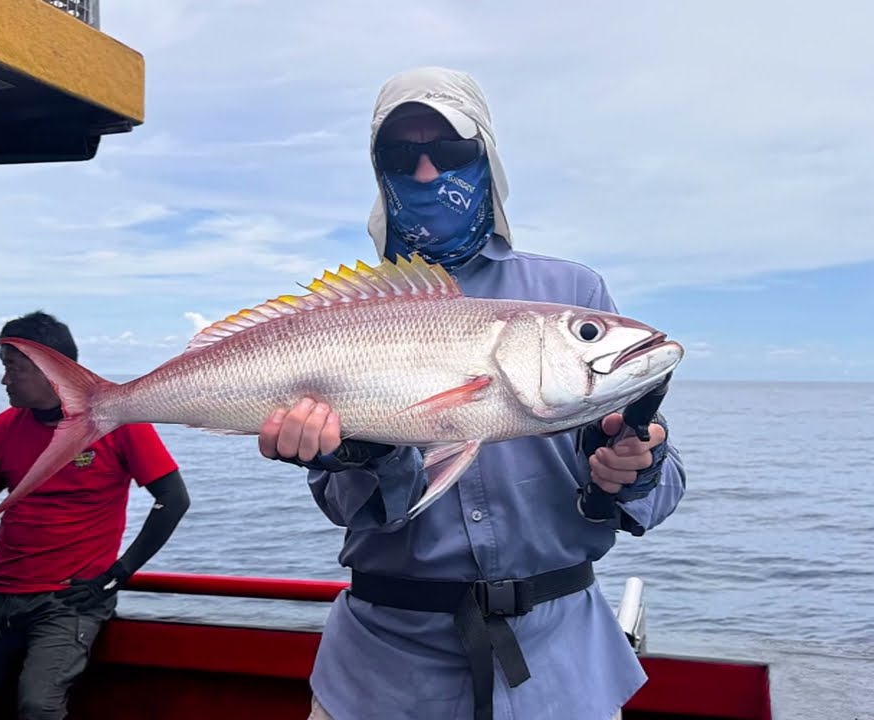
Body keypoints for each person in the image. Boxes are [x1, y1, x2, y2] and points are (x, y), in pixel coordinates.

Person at [257, 67, 687, 720]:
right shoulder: (345, 317)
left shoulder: (573, 297)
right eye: (402, 155)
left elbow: (660, 476)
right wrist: (357, 456)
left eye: (450, 151)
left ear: (486, 155)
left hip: (561, 667)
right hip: (382, 675)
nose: (427, 174)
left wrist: (633, 470)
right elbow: (353, 511)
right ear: (380, 173)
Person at [0, 311, 192, 720]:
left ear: (51, 370)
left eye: (13, 369)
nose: (5, 381)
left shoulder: (116, 423)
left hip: (68, 599)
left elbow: (172, 499)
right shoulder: (1, 429)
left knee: (37, 709)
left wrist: (118, 573)